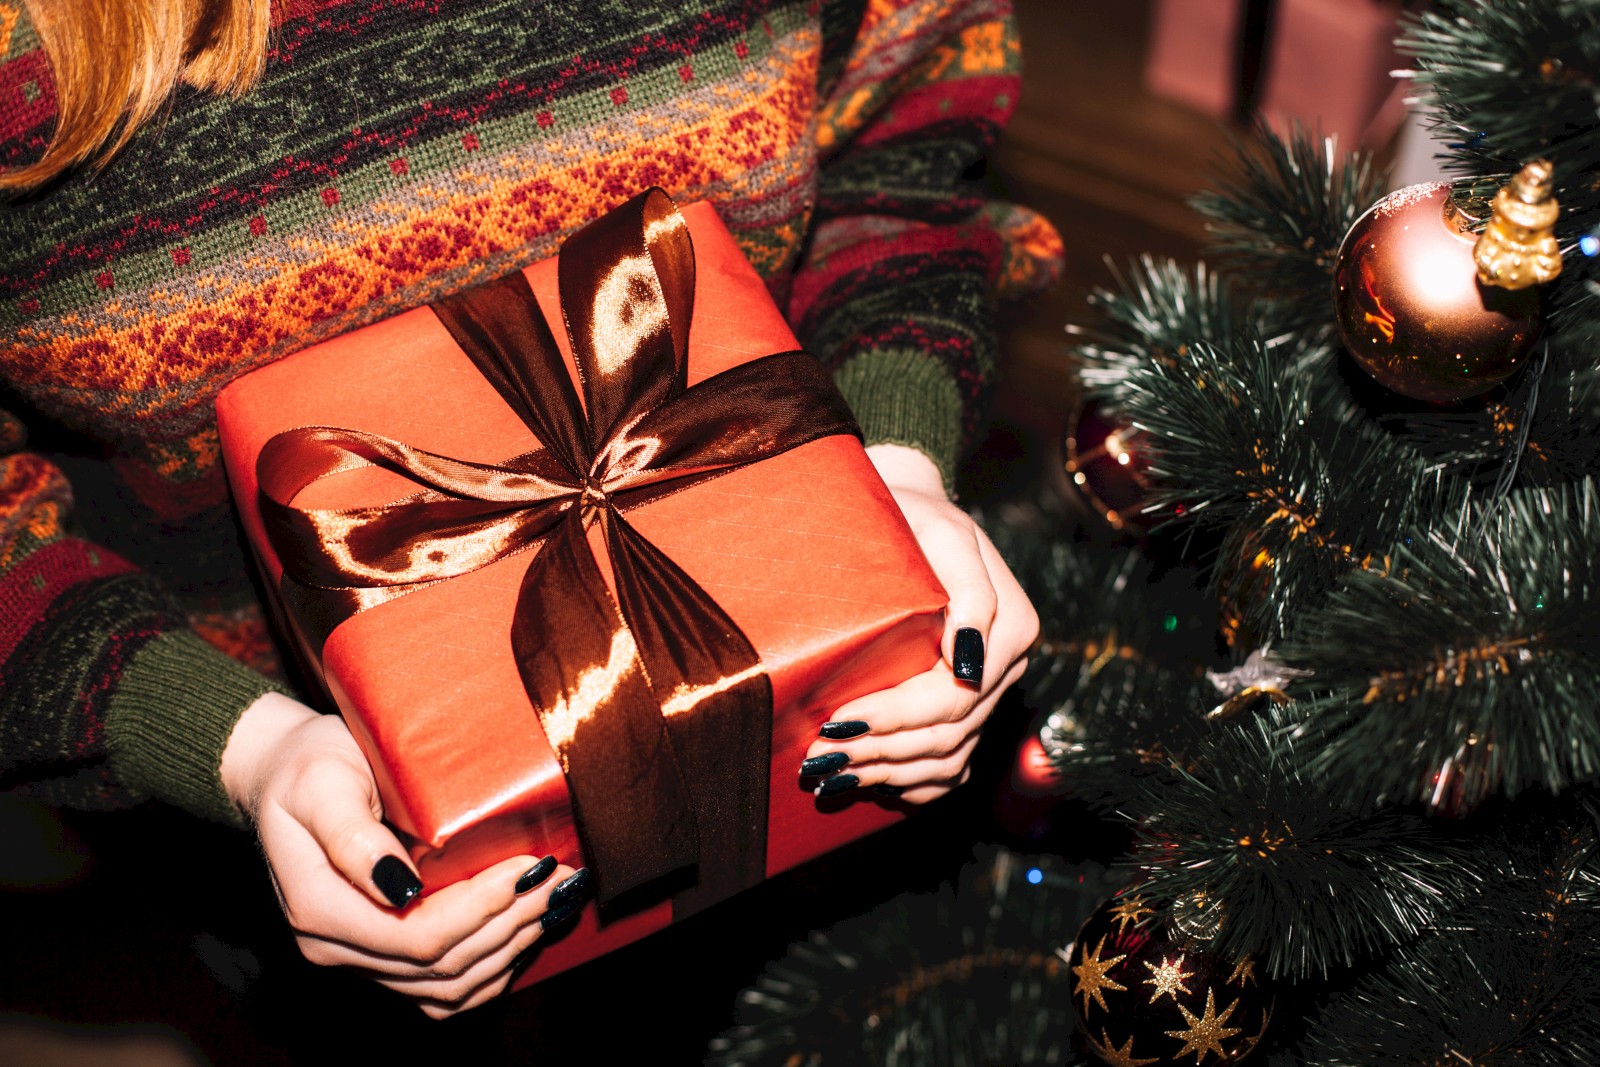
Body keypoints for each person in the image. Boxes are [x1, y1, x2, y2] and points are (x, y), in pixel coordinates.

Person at [0, 0, 1057, 1019]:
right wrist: (236, 745)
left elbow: (899, 152)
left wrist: (899, 471)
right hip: (278, 798)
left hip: (829, 717)